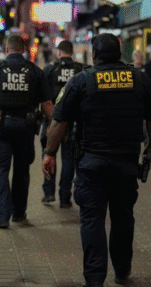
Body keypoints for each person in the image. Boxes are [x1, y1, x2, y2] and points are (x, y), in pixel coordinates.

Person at [42, 34, 151, 287]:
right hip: (126, 163)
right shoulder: (139, 79)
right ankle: (122, 271)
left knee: (92, 220)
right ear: (120, 53)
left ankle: (95, 278)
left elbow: (59, 120)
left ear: (94, 55)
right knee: (123, 218)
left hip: (91, 164)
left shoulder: (82, 80)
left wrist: (50, 153)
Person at [0, 34, 53, 229]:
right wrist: (56, 127)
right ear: (23, 49)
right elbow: (47, 105)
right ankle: (19, 213)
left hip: (1, 128)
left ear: (6, 50)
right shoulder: (35, 72)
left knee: (0, 171)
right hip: (26, 128)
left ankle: (2, 217)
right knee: (22, 171)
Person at [40, 40, 83, 208]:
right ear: (71, 52)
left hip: (52, 121)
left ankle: (49, 193)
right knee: (69, 159)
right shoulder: (80, 69)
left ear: (59, 53)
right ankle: (65, 198)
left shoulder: (50, 69)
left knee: (49, 155)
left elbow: (43, 97)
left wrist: (50, 118)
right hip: (73, 123)